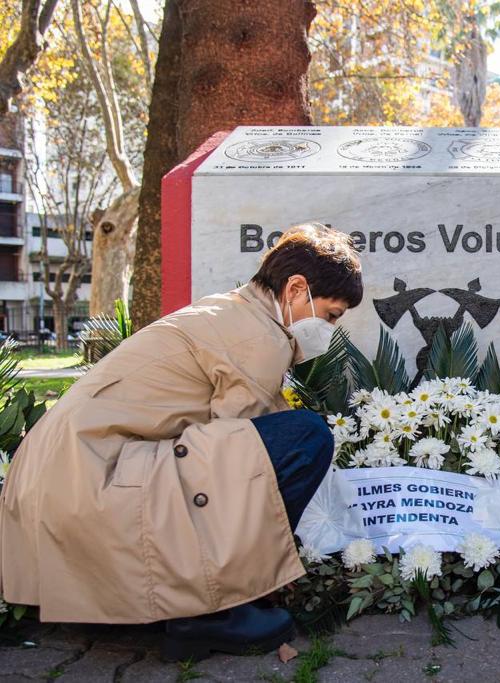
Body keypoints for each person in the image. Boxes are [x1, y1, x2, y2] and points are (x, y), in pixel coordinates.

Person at [0, 223, 362, 661]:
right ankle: (211, 612)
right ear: (296, 288)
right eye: (330, 315)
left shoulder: (232, 312)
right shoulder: (259, 337)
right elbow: (241, 474)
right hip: (92, 478)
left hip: (64, 479)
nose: (328, 330)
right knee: (306, 438)